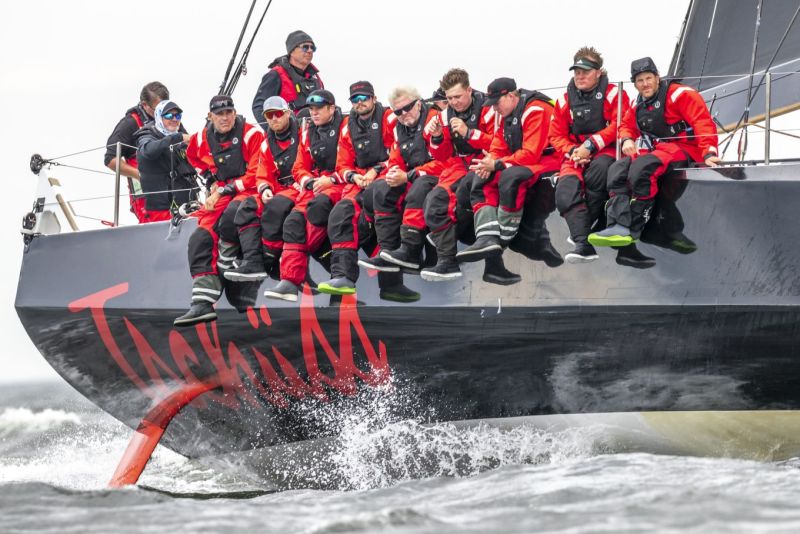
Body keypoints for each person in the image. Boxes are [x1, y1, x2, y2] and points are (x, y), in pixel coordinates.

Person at [588, 57, 720, 268]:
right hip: (659, 151)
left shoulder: (681, 94)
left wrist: (708, 152)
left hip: (687, 150)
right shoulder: (637, 103)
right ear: (635, 84)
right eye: (639, 80)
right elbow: (626, 126)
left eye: (648, 78)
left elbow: (702, 122)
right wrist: (627, 139)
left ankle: (634, 227)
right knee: (617, 169)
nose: (645, 84)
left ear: (658, 78)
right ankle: (617, 225)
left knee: (643, 168)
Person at [455, 77, 561, 284]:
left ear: (511, 96)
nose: (494, 108)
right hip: (523, 160)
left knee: (511, 178)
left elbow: (531, 153)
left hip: (549, 161)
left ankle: (504, 239)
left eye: (497, 103)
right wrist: (489, 162)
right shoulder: (506, 114)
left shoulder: (536, 110)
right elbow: (498, 146)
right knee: (477, 177)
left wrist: (497, 164)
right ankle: (486, 238)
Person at [174, 95, 264, 326]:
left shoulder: (252, 134)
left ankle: (227, 269)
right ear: (210, 116)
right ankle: (202, 303)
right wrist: (210, 179)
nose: (225, 118)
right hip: (223, 190)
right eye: (219, 114)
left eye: (228, 113)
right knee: (200, 237)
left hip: (250, 189)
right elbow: (192, 157)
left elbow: (257, 173)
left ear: (235, 113)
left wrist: (223, 190)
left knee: (233, 215)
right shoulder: (201, 138)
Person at [315, 81, 400, 297]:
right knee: (341, 212)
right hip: (360, 179)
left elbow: (398, 152)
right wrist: (354, 176)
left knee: (377, 199)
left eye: (364, 98)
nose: (359, 103)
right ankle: (343, 276)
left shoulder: (389, 118)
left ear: (374, 98)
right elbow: (343, 164)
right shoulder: (347, 127)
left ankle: (391, 277)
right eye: (355, 99)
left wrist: (375, 171)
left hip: (389, 174)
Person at [263, 89, 345, 302]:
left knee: (319, 213)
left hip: (341, 183)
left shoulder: (346, 126)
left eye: (319, 108)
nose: (314, 113)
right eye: (311, 109)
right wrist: (308, 181)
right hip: (315, 184)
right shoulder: (308, 133)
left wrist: (332, 179)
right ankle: (290, 281)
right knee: (293, 222)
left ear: (332, 109)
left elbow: (351, 162)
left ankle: (341, 275)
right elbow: (299, 167)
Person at [550, 47, 630, 263]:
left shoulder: (615, 95)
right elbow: (555, 135)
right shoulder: (564, 101)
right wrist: (573, 151)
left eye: (585, 71)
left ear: (598, 72)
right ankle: (583, 244)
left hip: (605, 150)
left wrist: (591, 144)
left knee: (599, 173)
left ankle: (582, 236)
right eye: (577, 72)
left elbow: (621, 124)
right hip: (575, 153)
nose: (580, 76)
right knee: (565, 190)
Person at [418, 68, 497, 282]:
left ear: (469, 90)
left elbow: (500, 143)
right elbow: (441, 156)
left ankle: (474, 246)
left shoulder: (489, 108)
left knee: (464, 194)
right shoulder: (445, 115)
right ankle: (447, 262)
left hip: (487, 162)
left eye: (458, 96)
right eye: (450, 98)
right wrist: (436, 137)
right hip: (459, 165)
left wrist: (469, 133)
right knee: (434, 202)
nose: (454, 102)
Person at [368, 86, 444, 276]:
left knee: (419, 187)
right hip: (413, 174)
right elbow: (395, 159)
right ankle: (387, 251)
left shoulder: (435, 120)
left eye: (407, 108)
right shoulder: (397, 127)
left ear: (418, 103)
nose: (403, 114)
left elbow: (445, 160)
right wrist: (394, 173)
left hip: (438, 175)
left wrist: (409, 175)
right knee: (381, 187)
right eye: (398, 111)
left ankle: (411, 250)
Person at [224, 96, 300, 282]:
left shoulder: (303, 133)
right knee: (247, 206)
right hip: (280, 188)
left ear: (288, 113)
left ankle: (268, 260)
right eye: (269, 115)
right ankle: (253, 262)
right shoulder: (267, 143)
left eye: (278, 113)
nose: (274, 118)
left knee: (276, 207)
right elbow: (263, 173)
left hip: (301, 185)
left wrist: (304, 180)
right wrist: (265, 188)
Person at [104, 81, 170, 223]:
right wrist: (140, 175)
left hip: (175, 191)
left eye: (164, 109)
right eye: (157, 109)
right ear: (144, 105)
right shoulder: (129, 124)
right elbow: (110, 159)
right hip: (147, 196)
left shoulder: (171, 118)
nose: (162, 114)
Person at [134, 100, 197, 222]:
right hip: (162, 211)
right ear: (158, 116)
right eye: (168, 115)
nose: (174, 119)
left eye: (177, 116)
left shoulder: (179, 138)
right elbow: (148, 151)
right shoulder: (146, 135)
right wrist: (178, 137)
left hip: (187, 206)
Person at [251, 30, 323, 121]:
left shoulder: (315, 78)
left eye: (313, 48)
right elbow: (259, 107)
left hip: (315, 129)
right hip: (288, 129)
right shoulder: (276, 75)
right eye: (305, 47)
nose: (310, 50)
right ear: (292, 51)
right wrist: (274, 128)